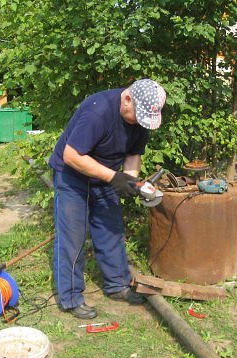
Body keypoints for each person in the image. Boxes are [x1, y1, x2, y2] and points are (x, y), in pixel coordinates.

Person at [48, 79, 166, 319]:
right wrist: (114, 177)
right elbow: (72, 155)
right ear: (127, 99)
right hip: (72, 176)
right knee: (73, 237)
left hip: (106, 176)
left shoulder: (139, 117)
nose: (137, 122)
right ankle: (70, 298)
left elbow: (134, 154)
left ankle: (117, 285)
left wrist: (129, 180)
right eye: (136, 115)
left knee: (111, 230)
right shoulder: (98, 111)